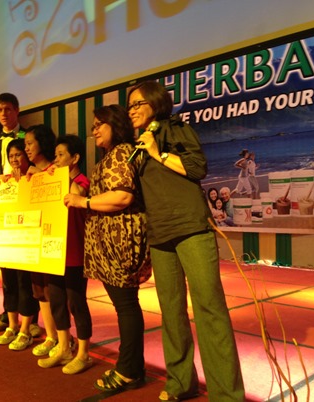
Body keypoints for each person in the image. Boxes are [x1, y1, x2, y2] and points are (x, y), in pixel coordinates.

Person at [128, 80, 245, 402]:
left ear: (155, 103)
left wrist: (158, 153)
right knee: (171, 311)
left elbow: (197, 168)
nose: (132, 111)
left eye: (138, 104)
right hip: (160, 233)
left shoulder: (176, 128)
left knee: (209, 308)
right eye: (129, 106)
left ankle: (226, 395)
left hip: (191, 228)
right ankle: (181, 382)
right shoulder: (138, 145)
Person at [64, 105, 150, 392]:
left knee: (126, 306)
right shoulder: (111, 156)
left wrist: (84, 202)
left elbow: (122, 197)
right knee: (124, 305)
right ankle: (132, 368)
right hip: (110, 243)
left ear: (116, 124)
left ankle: (128, 370)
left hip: (121, 242)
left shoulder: (122, 152)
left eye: (99, 124)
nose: (95, 130)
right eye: (93, 126)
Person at [0, 92, 41, 338]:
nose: (3, 114)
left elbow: (38, 165)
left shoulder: (28, 136)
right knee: (6, 270)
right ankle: (8, 317)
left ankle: (31, 320)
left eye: (7, 109)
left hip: (26, 209)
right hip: (3, 210)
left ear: (17, 110)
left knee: (26, 273)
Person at [38, 134, 93, 375]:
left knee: (76, 303)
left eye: (61, 155)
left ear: (75, 158)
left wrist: (62, 176)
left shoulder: (81, 181)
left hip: (75, 254)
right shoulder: (55, 179)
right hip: (54, 252)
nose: (56, 160)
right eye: (55, 155)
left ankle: (83, 354)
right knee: (57, 301)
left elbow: (76, 194)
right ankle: (63, 347)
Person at [19, 124, 60, 354]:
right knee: (39, 290)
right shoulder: (30, 173)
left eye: (29, 143)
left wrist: (44, 177)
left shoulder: (57, 171)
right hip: (34, 241)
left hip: (53, 243)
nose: (26, 149)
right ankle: (51, 336)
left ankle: (63, 339)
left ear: (42, 143)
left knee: (54, 292)